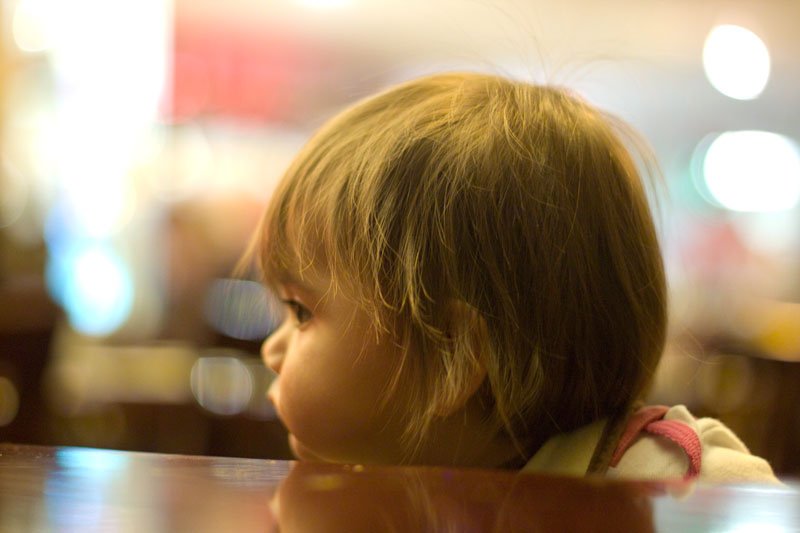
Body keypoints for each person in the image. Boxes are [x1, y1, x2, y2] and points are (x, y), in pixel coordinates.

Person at [244, 72, 778, 483]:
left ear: (452, 357)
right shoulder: (391, 488)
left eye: (301, 311)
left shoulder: (675, 483)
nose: (272, 350)